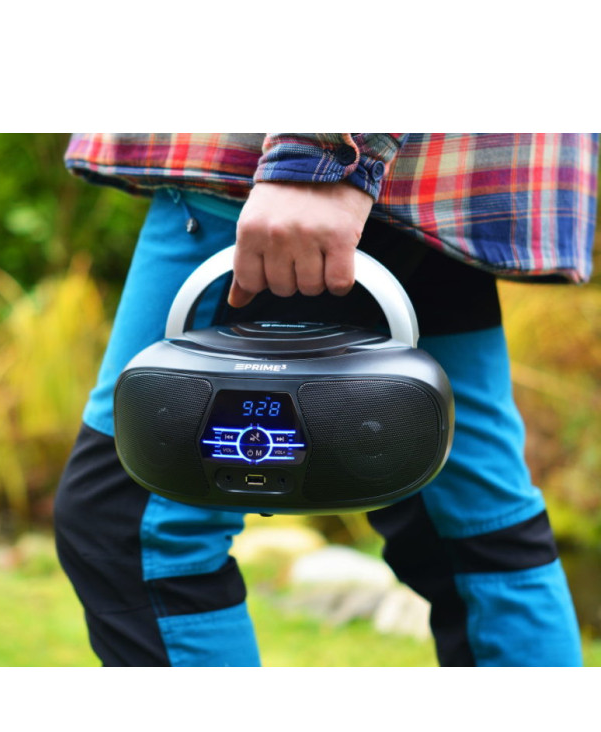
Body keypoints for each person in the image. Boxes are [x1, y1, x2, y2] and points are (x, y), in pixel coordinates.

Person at [54, 133, 598, 667]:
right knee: (477, 532)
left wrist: (320, 160)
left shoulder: (315, 167)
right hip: (445, 178)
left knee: (137, 528)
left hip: (288, 177)